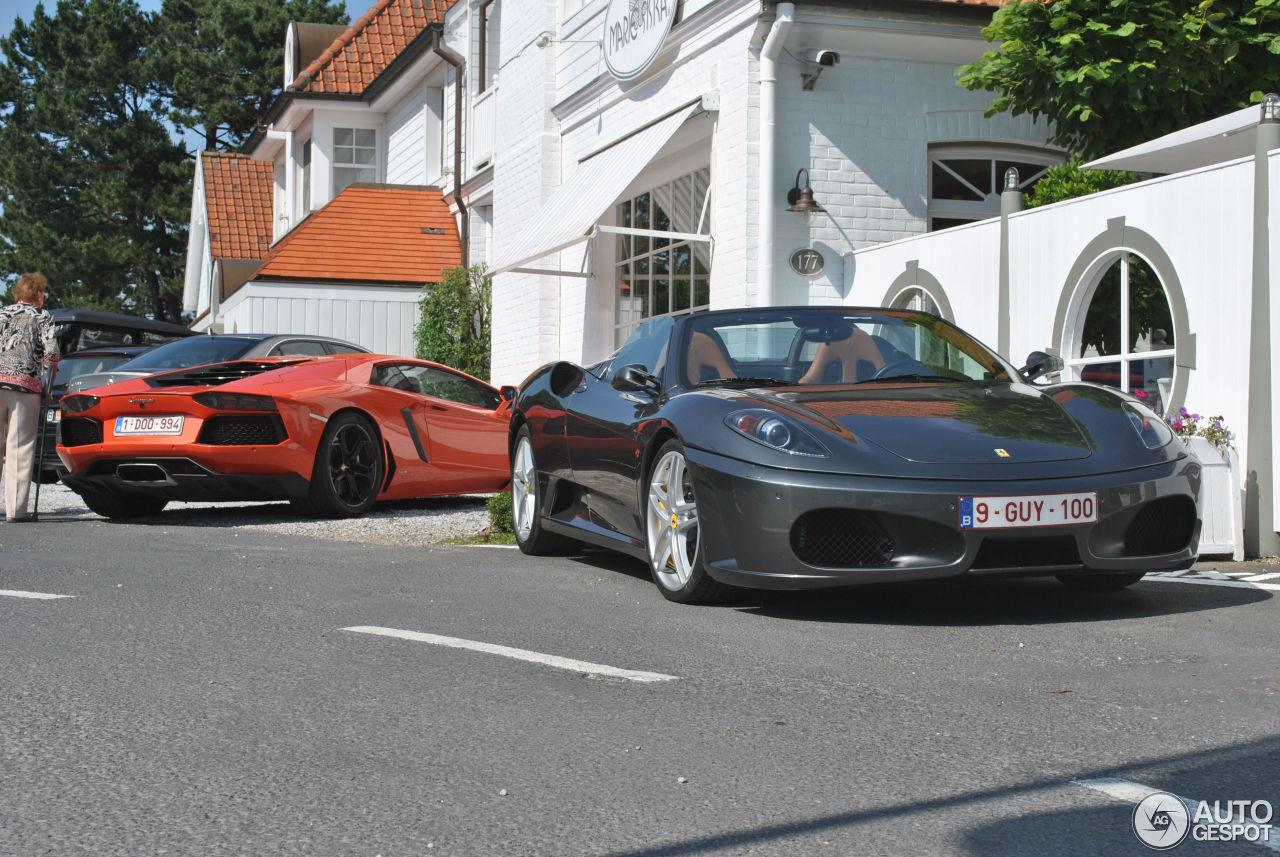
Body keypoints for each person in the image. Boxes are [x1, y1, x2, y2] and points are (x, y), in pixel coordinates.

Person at [0, 272, 60, 522]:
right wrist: (49, 382)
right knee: (19, 446)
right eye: (42, 291)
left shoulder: (2, 313)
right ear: (37, 293)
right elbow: (52, 352)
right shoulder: (43, 316)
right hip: (26, 387)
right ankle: (16, 510)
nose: (44, 295)